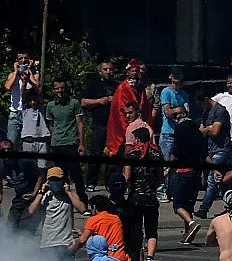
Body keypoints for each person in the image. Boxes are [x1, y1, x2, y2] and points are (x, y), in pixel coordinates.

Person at [124, 127, 162, 261]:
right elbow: (160, 178)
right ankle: (150, 257)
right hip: (151, 198)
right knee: (151, 231)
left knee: (136, 232)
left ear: (138, 139)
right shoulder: (157, 154)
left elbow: (127, 177)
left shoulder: (131, 155)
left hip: (135, 198)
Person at [28, 167, 87, 261]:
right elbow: (31, 210)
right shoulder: (44, 196)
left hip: (65, 243)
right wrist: (41, 192)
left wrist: (68, 192)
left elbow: (82, 209)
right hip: (47, 243)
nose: (54, 182)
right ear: (48, 181)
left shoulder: (70, 195)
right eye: (52, 180)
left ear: (62, 181)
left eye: (57, 180)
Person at [46, 77, 87, 206]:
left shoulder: (74, 103)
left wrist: (81, 143)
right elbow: (51, 124)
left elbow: (80, 124)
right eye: (57, 88)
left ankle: (82, 201)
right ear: (53, 90)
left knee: (76, 174)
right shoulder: (51, 105)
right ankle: (64, 201)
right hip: (57, 144)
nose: (60, 91)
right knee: (60, 175)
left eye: (62, 88)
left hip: (71, 143)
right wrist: (54, 137)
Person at [193, 89, 232, 219]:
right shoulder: (206, 112)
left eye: (200, 104)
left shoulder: (220, 110)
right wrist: (206, 129)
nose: (200, 107)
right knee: (220, 183)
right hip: (211, 150)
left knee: (212, 180)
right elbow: (202, 129)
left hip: (221, 149)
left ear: (205, 99)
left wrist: (206, 130)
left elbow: (215, 131)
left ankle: (204, 208)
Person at [105, 58, 154, 157]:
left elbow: (144, 106)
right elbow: (121, 111)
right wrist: (130, 127)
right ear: (128, 72)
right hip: (125, 126)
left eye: (136, 71)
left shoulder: (140, 87)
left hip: (139, 124)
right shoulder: (122, 88)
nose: (135, 73)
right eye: (132, 71)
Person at [170, 110, 204, 244]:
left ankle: (191, 223)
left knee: (178, 204)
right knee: (189, 204)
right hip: (196, 171)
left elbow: (176, 151)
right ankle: (187, 233)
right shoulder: (196, 129)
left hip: (182, 170)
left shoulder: (180, 130)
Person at [81, 59, 116, 190]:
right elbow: (83, 102)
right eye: (105, 69)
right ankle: (91, 181)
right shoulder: (93, 85)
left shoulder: (117, 85)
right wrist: (100, 101)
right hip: (98, 124)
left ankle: (109, 182)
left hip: (113, 126)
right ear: (100, 71)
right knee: (95, 154)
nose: (108, 72)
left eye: (110, 69)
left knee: (111, 155)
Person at [0, 138, 44, 232]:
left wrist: (34, 193)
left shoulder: (24, 161)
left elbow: (40, 176)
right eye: (4, 150)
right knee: (10, 227)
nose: (7, 152)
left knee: (26, 228)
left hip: (33, 196)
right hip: (20, 197)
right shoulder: (1, 165)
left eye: (9, 149)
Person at [3, 49, 39, 148]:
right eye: (20, 58)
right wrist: (16, 72)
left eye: (25, 58)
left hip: (28, 112)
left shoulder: (34, 74)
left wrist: (29, 71)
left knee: (28, 144)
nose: (23, 60)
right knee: (11, 143)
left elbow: (37, 86)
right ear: (17, 61)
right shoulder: (12, 75)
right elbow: (7, 87)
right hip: (15, 113)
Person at [158, 66, 189, 162]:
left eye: (179, 74)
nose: (177, 77)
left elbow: (187, 112)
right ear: (170, 76)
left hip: (181, 133)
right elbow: (167, 112)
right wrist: (179, 109)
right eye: (174, 74)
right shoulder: (166, 92)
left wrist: (177, 111)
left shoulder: (184, 94)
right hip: (168, 134)